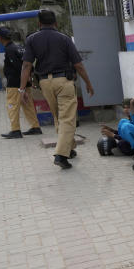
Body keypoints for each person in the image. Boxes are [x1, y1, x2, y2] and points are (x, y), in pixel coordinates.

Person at [20, 9, 94, 169]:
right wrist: (88, 82)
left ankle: (69, 148)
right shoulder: (64, 39)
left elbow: (26, 65)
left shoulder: (32, 39)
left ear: (39, 24)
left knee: (59, 116)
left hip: (45, 83)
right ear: (56, 23)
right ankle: (61, 155)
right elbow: (78, 65)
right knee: (67, 118)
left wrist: (21, 90)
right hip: (64, 81)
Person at [0, 27, 42, 139]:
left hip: (15, 84)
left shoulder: (9, 50)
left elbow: (19, 67)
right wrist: (27, 81)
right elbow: (28, 64)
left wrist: (22, 85)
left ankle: (15, 130)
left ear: (0, 38)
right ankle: (35, 127)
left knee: (12, 105)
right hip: (23, 83)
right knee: (28, 104)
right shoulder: (19, 48)